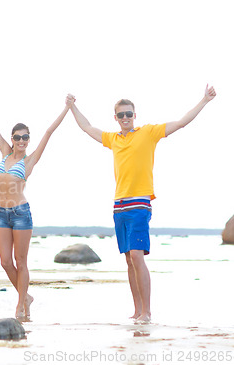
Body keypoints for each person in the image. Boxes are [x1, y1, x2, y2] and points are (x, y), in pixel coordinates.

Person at [69, 85, 216, 323]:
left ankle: (147, 312)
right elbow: (87, 128)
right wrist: (72, 106)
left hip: (140, 203)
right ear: (115, 118)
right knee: (128, 258)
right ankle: (137, 311)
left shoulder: (148, 133)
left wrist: (204, 100)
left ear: (134, 116)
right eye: (121, 115)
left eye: (129, 114)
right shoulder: (112, 139)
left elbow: (180, 123)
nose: (125, 118)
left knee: (137, 255)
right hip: (119, 205)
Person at [0, 83, 73, 318]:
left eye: (25, 137)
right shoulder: (4, 152)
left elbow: (49, 132)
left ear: (29, 140)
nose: (22, 140)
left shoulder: (29, 161)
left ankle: (21, 304)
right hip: (1, 213)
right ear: (12, 138)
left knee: (21, 261)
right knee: (4, 262)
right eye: (18, 137)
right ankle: (26, 295)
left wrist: (67, 108)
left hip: (20, 213)